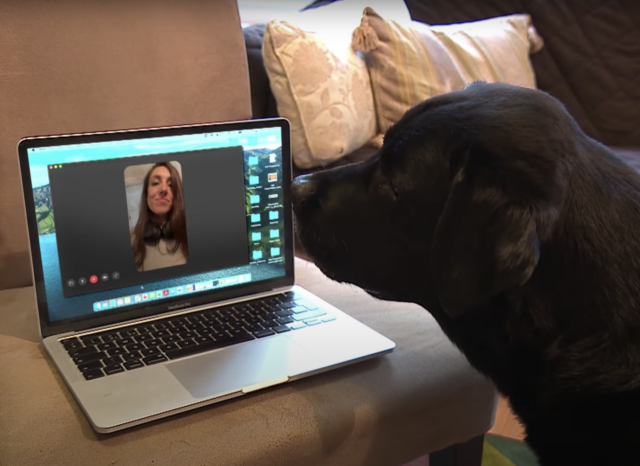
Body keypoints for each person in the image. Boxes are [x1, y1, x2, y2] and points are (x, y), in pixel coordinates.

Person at [131, 162, 189, 272]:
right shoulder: (130, 239)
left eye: (171, 185)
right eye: (155, 183)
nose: (163, 189)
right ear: (146, 194)